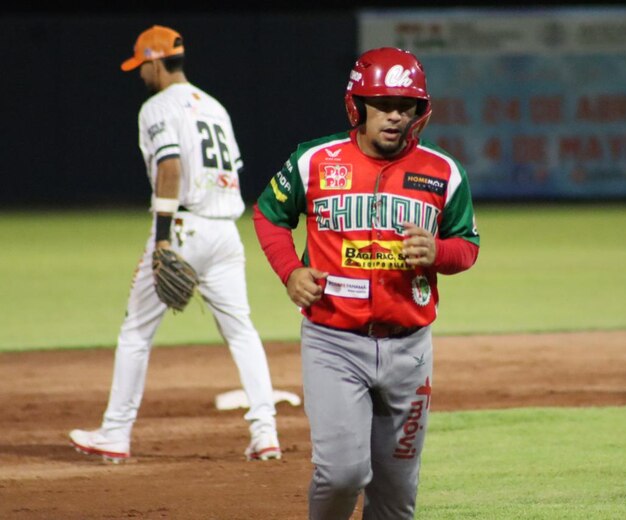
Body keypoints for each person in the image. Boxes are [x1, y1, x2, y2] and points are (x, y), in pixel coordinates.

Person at [253, 47, 480, 519]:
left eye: (406, 105)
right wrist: (290, 271)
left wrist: (439, 251)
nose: (396, 116)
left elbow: (467, 246)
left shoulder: (443, 173)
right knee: (342, 475)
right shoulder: (315, 160)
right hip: (334, 342)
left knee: (396, 497)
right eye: (383, 104)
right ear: (357, 105)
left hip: (409, 350)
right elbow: (269, 214)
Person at [69, 25, 281, 463]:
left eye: (141, 65)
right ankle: (265, 434)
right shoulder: (216, 107)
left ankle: (115, 432)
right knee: (241, 331)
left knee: (135, 333)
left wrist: (163, 237)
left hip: (182, 227)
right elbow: (232, 170)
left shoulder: (157, 106)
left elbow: (170, 166)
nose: (139, 73)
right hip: (225, 230)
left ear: (155, 60)